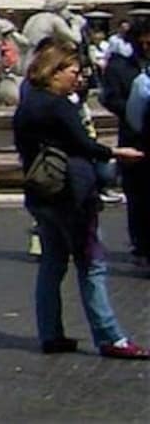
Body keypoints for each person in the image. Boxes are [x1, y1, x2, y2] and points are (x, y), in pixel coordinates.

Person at [13, 40, 146, 358]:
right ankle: (110, 336)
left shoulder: (27, 104)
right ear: (55, 71)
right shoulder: (59, 105)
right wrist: (116, 153)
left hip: (41, 194)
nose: (79, 77)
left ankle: (50, 333)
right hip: (72, 195)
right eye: (74, 71)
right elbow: (83, 144)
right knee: (92, 266)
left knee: (52, 264)